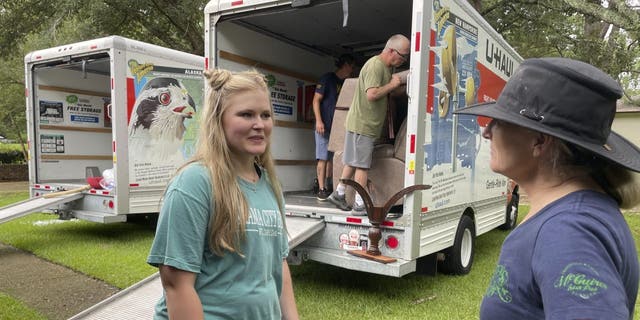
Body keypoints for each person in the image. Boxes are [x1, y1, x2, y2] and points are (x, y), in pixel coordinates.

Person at [454, 57, 640, 319]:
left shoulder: (569, 231)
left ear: (539, 141)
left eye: (500, 121)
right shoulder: (574, 214)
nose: (487, 132)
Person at [147, 69, 299, 319]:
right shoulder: (194, 183)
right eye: (246, 114)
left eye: (265, 115)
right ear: (219, 120)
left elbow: (279, 267)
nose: (259, 124)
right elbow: (176, 285)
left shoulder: (271, 185)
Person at [327, 34, 410, 215]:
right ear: (390, 51)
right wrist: (393, 84)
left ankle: (339, 194)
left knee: (351, 160)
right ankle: (360, 204)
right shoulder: (376, 66)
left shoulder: (386, 68)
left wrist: (397, 81)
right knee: (363, 166)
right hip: (363, 124)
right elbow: (372, 94)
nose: (403, 60)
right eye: (402, 55)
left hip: (360, 123)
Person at [313, 54, 355, 200]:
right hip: (323, 125)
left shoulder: (344, 83)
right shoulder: (327, 78)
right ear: (345, 65)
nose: (352, 69)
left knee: (333, 157)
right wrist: (319, 121)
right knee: (323, 157)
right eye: (351, 66)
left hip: (336, 127)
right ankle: (321, 189)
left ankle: (331, 185)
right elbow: (316, 100)